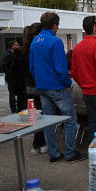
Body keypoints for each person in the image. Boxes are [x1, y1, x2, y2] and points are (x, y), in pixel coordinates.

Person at [29, 12, 86, 163]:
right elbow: (61, 68)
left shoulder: (35, 41)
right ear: (55, 25)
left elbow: (32, 67)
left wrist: (40, 81)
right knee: (69, 120)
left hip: (42, 87)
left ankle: (53, 154)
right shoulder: (55, 42)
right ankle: (70, 153)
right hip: (58, 87)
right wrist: (67, 84)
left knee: (48, 121)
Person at [22, 23, 48, 155]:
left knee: (35, 117)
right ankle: (40, 143)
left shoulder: (24, 50)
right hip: (38, 86)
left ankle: (37, 143)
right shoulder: (36, 48)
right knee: (41, 116)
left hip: (28, 88)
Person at [1, 40, 24, 113]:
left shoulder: (13, 54)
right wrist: (10, 72)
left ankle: (17, 108)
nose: (18, 46)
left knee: (15, 93)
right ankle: (14, 110)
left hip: (14, 78)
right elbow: (2, 65)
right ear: (12, 46)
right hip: (10, 78)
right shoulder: (8, 54)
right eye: (16, 45)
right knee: (12, 94)